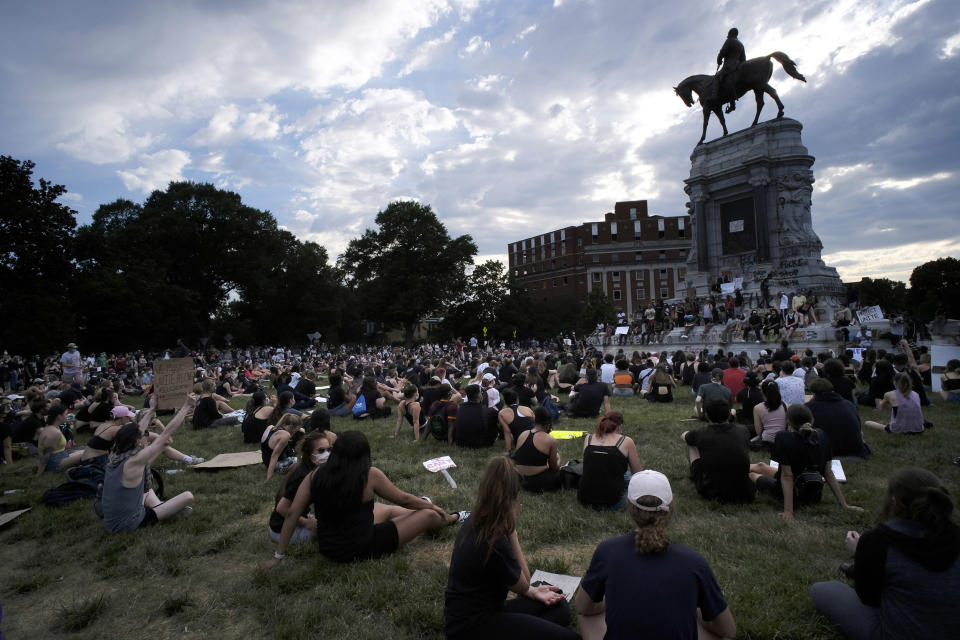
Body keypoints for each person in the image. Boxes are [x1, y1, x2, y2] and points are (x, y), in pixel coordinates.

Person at [263, 430, 467, 567]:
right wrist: (436, 508)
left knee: (383, 508)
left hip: (329, 547)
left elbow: (291, 515)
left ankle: (422, 512)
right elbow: (404, 499)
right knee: (429, 514)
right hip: (363, 546)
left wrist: (277, 556)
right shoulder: (370, 475)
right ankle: (453, 518)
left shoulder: (314, 475)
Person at [576, 470, 737, 640]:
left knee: (586, 615)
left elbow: (583, 607)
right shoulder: (695, 562)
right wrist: (694, 610)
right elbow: (728, 630)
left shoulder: (607, 551)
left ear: (630, 506)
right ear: (670, 506)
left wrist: (613, 600)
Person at [810, 467, 960, 639]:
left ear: (894, 501)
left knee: (822, 590)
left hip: (897, 634)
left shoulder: (880, 540)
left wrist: (860, 553)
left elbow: (869, 598)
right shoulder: (955, 535)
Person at [444, 457, 578, 640]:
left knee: (557, 601)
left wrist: (533, 592)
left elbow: (526, 588)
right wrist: (512, 531)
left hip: (470, 615)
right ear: (513, 498)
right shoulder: (495, 538)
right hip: (474, 626)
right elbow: (524, 583)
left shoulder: (475, 519)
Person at [749, 405, 862, 520]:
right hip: (814, 493)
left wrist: (788, 511)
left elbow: (787, 476)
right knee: (761, 466)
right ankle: (740, 465)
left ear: (788, 421)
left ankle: (741, 470)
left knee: (752, 475)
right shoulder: (822, 435)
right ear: (811, 419)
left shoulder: (784, 437)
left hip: (794, 492)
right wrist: (844, 504)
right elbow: (828, 473)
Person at [101, 396, 196, 533]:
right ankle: (166, 510)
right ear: (137, 442)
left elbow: (139, 429)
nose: (144, 435)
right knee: (188, 496)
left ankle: (163, 507)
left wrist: (152, 409)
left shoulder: (116, 454)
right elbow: (166, 434)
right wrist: (186, 406)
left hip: (112, 521)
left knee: (147, 491)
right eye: (142, 436)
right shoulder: (134, 461)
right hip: (127, 524)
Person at [682, 398, 755, 504]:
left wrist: (687, 434)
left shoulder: (701, 433)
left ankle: (696, 473)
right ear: (730, 413)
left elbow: (684, 436)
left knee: (691, 443)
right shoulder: (743, 431)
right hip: (746, 493)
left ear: (707, 416)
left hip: (713, 492)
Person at [267, 431, 331, 544]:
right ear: (309, 453)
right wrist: (306, 522)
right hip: (281, 531)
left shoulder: (311, 469)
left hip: (297, 518)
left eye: (329, 450)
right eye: (321, 450)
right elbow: (281, 508)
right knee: (331, 532)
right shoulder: (302, 476)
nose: (326, 454)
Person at [578, 412, 643, 510]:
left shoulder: (589, 438)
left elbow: (590, 466)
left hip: (585, 500)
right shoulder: (626, 441)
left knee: (623, 475)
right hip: (614, 502)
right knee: (630, 477)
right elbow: (638, 474)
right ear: (619, 426)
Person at [805, 378, 870, 458]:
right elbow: (859, 428)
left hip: (826, 451)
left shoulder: (808, 408)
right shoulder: (848, 404)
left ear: (813, 392)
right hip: (854, 450)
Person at [513, 407, 562, 493]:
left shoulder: (523, 434)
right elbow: (554, 468)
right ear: (548, 425)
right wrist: (558, 458)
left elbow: (518, 458)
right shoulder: (551, 440)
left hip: (519, 479)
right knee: (561, 473)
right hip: (539, 481)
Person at [451, 384, 498, 448]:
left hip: (460, 442)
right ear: (479, 395)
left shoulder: (460, 408)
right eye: (481, 392)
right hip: (480, 443)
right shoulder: (488, 411)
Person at [262, 413, 304, 480]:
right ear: (292, 427)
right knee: (304, 461)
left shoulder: (270, 427)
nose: (295, 432)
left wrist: (299, 429)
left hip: (266, 461)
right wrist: (269, 477)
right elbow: (274, 456)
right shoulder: (285, 435)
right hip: (276, 465)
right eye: (296, 429)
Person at [497, 388, 536, 452]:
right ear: (517, 399)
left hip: (521, 443)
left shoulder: (501, 413)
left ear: (505, 401)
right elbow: (536, 425)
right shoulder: (527, 409)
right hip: (537, 440)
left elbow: (507, 432)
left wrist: (508, 450)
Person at [752, 380, 787, 449]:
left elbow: (759, 432)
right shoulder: (786, 405)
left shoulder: (757, 408)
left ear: (762, 392)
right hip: (783, 440)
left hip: (767, 441)